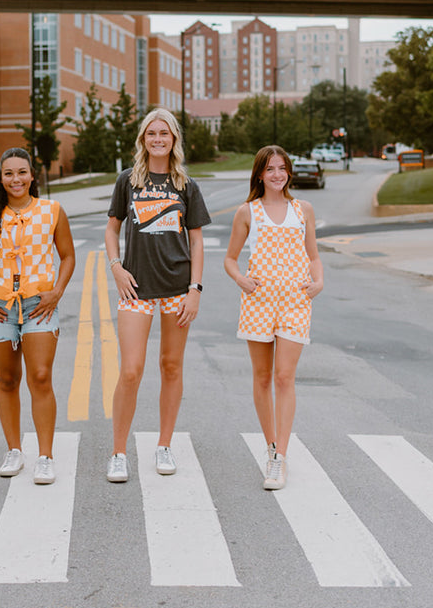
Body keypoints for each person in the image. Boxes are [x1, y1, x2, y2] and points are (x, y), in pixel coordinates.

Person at [104, 108, 211, 483]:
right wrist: (115, 266)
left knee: (171, 366)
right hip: (136, 289)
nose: (158, 139)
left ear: (174, 139)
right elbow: (111, 229)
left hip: (176, 289)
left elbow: (197, 242)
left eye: (164, 133)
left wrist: (195, 290)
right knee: (131, 370)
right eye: (152, 134)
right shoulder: (127, 182)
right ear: (143, 140)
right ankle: (118, 451)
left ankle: (164, 444)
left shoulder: (186, 186)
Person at [0, 148, 76, 484]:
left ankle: (45, 456)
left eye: (22, 172)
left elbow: (68, 256)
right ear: (0, 178)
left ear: (33, 176)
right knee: (7, 380)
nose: (16, 179)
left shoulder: (52, 211)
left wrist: (56, 292)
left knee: (40, 376)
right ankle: (14, 449)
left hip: (38, 305)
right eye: (9, 173)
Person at [223, 146, 324, 490]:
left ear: (289, 173)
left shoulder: (303, 210)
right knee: (263, 377)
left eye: (282, 168)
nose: (277, 174)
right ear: (260, 175)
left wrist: (319, 281)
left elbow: (313, 255)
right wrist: (241, 279)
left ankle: (280, 456)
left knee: (284, 377)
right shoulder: (247, 212)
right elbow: (231, 259)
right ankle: (270, 446)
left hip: (296, 302)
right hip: (258, 303)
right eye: (271, 169)